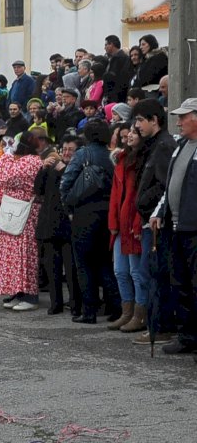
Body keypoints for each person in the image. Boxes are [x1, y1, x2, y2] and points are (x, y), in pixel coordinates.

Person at [150, 98, 197, 355]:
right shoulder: (181, 146)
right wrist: (160, 212)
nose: (178, 122)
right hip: (178, 228)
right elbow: (170, 188)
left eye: (183, 117)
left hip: (194, 229)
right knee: (181, 284)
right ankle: (188, 336)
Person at [61, 119, 120, 324]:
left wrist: (69, 206)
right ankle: (116, 308)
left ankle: (89, 311)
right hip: (108, 213)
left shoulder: (82, 154)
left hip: (84, 213)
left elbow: (66, 181)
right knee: (105, 262)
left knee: (84, 264)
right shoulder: (112, 156)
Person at [0, 131, 43, 311]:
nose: (10, 147)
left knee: (25, 253)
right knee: (11, 254)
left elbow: (4, 175)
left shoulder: (32, 161)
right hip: (11, 209)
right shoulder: (19, 160)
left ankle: (30, 296)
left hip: (25, 212)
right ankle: (17, 291)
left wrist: (6, 155)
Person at [132, 98, 178, 346]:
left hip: (156, 223)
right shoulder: (152, 145)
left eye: (140, 120)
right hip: (150, 221)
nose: (136, 125)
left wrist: (145, 205)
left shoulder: (162, 146)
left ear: (154, 120)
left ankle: (160, 327)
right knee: (149, 273)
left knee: (154, 274)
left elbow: (163, 186)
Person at [108, 127, 148, 332]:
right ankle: (127, 312)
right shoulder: (122, 160)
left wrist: (136, 221)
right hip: (121, 224)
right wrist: (113, 223)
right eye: (126, 134)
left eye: (133, 132)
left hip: (134, 223)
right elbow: (116, 195)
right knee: (120, 271)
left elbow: (140, 196)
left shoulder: (141, 161)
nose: (129, 136)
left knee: (136, 272)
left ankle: (140, 315)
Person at [34, 135, 80, 315]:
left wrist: (63, 170)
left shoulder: (78, 169)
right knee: (51, 267)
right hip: (49, 225)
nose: (67, 153)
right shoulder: (52, 168)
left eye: (71, 150)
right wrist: (43, 169)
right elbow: (38, 190)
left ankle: (75, 303)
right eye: (65, 149)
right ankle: (56, 302)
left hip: (68, 227)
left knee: (70, 269)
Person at [103, 35, 132, 104]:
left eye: (106, 45)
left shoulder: (120, 58)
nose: (104, 48)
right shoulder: (114, 58)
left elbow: (119, 77)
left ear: (111, 44)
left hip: (117, 95)